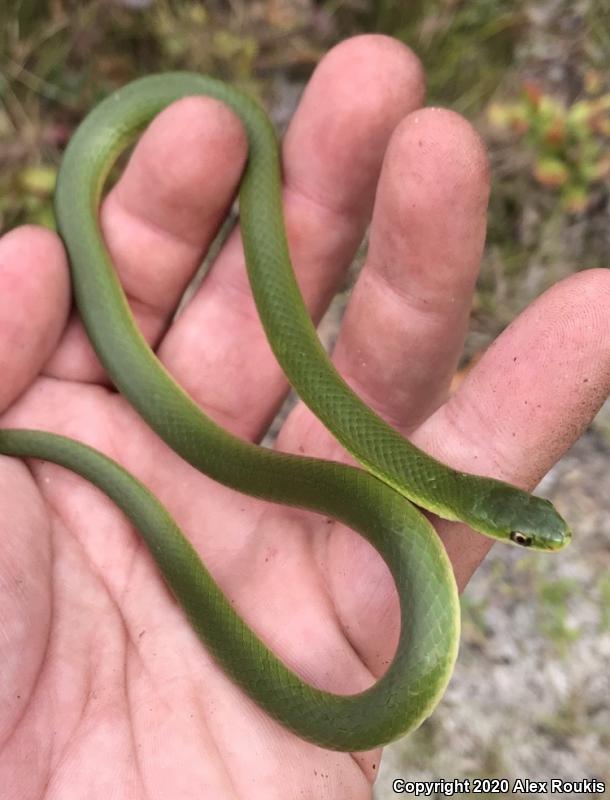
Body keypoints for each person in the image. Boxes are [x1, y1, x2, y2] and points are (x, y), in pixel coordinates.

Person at [1, 34, 609, 799]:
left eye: (523, 533)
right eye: (522, 535)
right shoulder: (434, 493)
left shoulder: (429, 500)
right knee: (226, 129)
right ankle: (237, 122)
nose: (526, 540)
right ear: (490, 518)